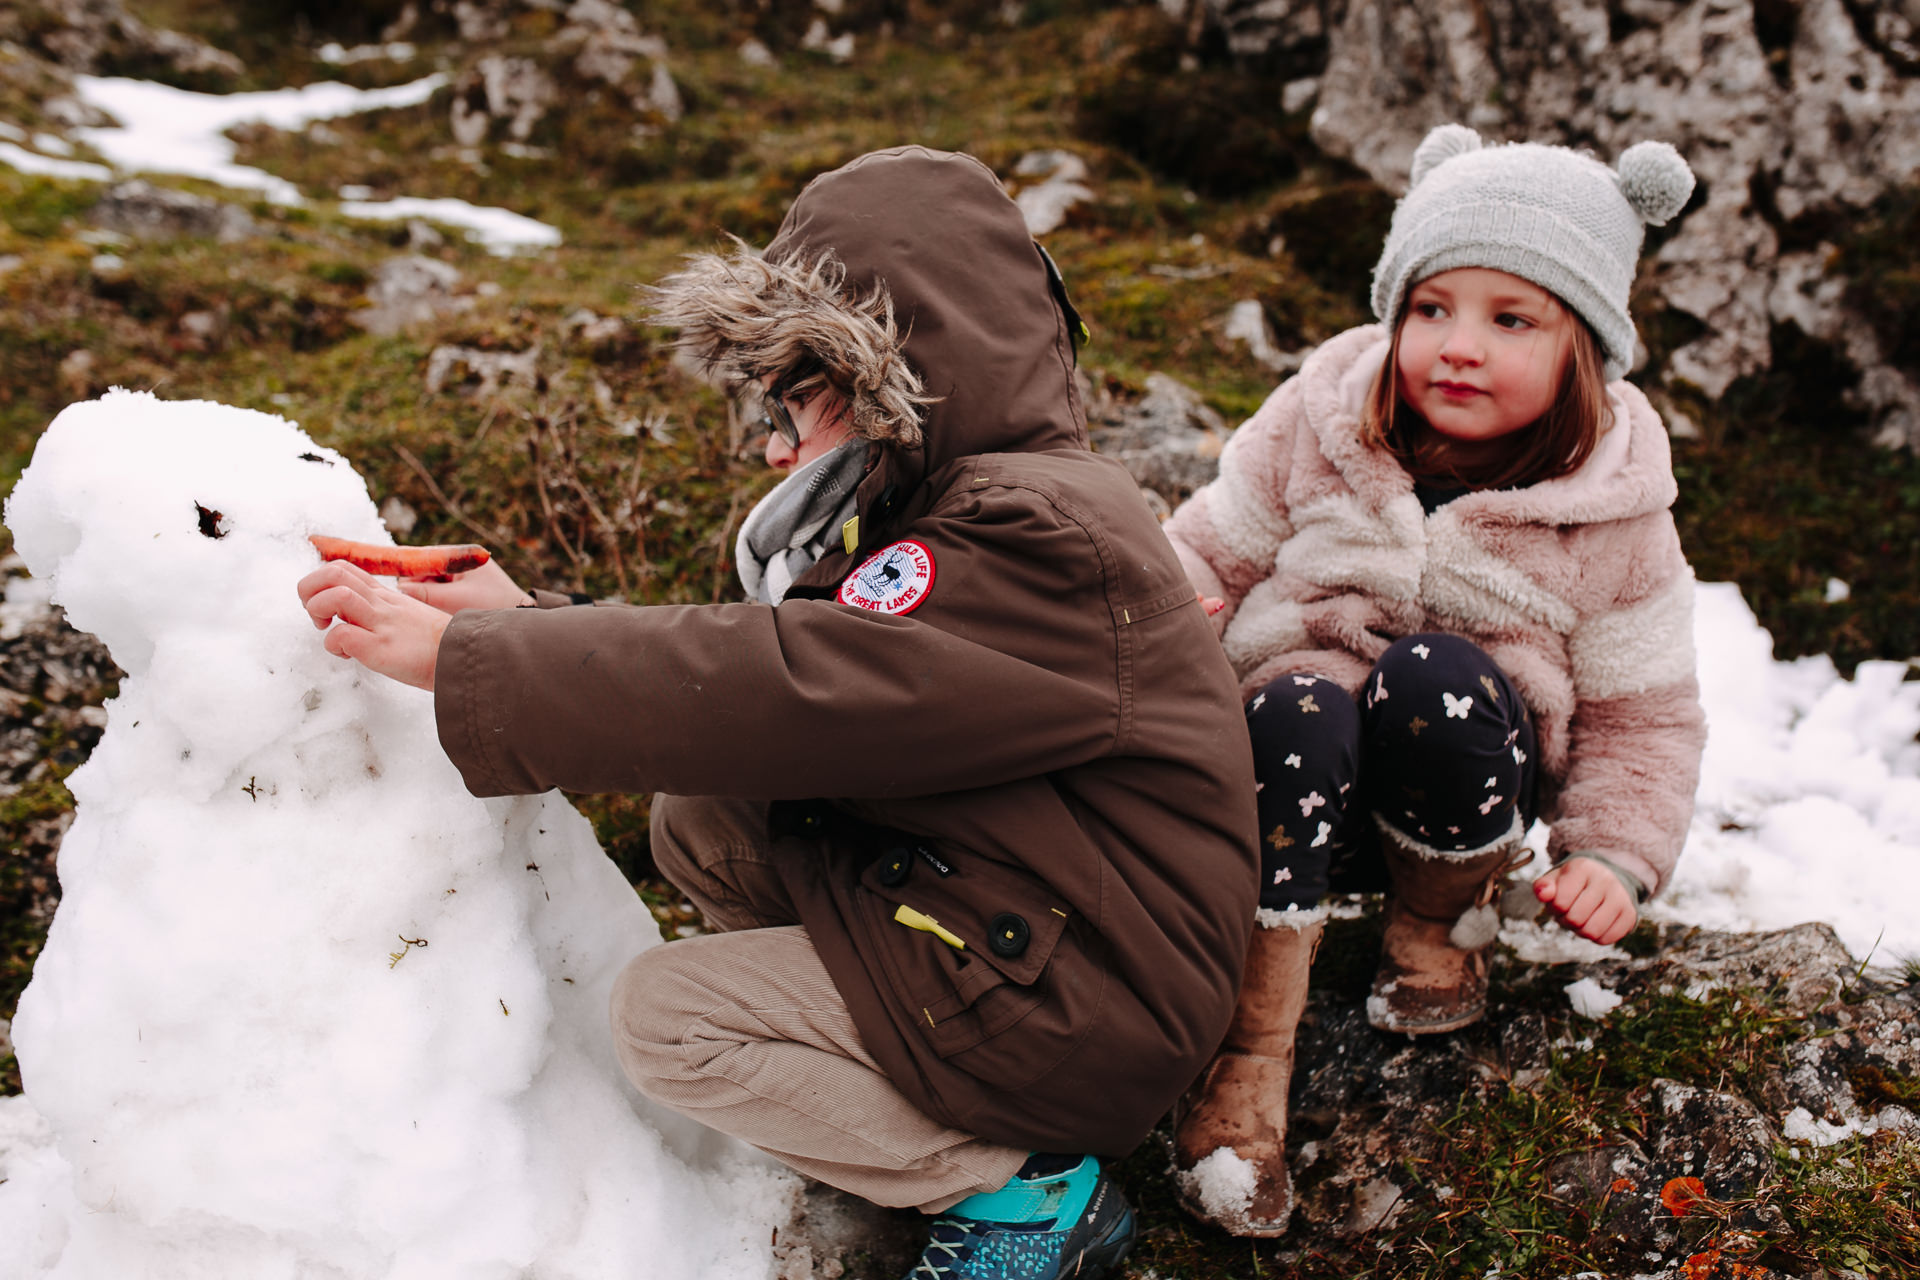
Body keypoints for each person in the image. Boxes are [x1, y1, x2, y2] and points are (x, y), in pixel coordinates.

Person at [296, 146, 1260, 1280]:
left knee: (668, 1021)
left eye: (795, 398)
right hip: (1046, 933)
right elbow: (782, 695)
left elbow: (800, 686)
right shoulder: (973, 507)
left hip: (1097, 998)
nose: (771, 444)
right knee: (705, 813)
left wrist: (482, 661)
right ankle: (876, 1090)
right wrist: (529, 621)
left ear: (896, 367)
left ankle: (1030, 1189)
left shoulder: (1038, 526)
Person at [1160, 125, 1708, 1237]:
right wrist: (1167, 603)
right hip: (1285, 797)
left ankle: (1433, 936)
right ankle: (1248, 1052)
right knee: (1299, 694)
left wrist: (1614, 852)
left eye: (1511, 319)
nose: (1459, 345)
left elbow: (1646, 713)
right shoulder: (1321, 418)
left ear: (1586, 351)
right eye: (1431, 307)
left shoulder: (1616, 509)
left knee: (1439, 677)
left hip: (1457, 801)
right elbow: (1209, 544)